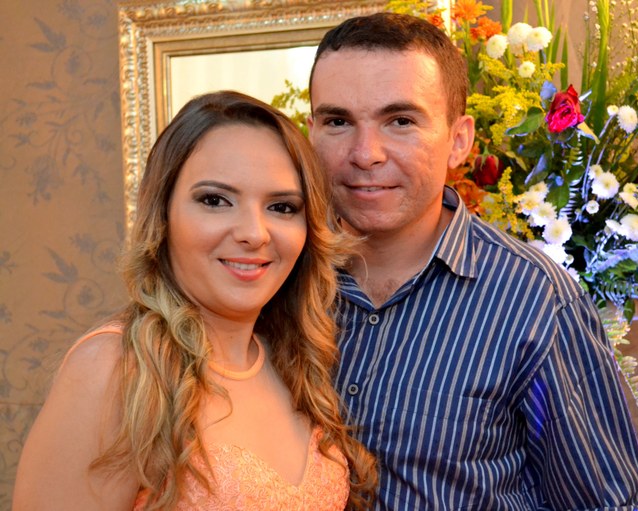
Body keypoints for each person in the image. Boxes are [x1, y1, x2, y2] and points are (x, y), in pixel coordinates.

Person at [307, 12, 638, 510]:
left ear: (459, 140)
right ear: (310, 132)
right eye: (338, 122)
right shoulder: (276, 281)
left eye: (400, 121)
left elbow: (607, 502)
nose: (366, 154)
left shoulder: (535, 300)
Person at [13, 90, 377, 510]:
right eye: (215, 201)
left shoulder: (293, 364)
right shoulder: (117, 369)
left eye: (281, 207)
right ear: (163, 214)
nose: (254, 233)